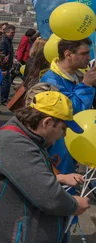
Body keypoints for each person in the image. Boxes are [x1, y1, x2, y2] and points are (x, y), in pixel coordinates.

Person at [0, 91, 90, 243]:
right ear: (47, 122)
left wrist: (58, 179)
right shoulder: (13, 142)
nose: (63, 135)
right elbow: (48, 197)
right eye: (63, 128)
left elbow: (28, 178)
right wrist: (74, 205)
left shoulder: (29, 138)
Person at [41, 38, 96, 175]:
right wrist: (87, 85)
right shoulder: (51, 80)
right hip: (59, 143)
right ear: (68, 55)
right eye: (84, 53)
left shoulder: (78, 74)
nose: (88, 57)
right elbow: (70, 111)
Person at [0, 24, 16, 103]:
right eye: (11, 33)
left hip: (7, 65)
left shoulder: (8, 40)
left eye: (14, 33)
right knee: (6, 83)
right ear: (6, 32)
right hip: (4, 66)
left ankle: (3, 98)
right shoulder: (4, 41)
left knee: (6, 83)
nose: (13, 34)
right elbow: (2, 55)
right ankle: (3, 99)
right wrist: (3, 66)